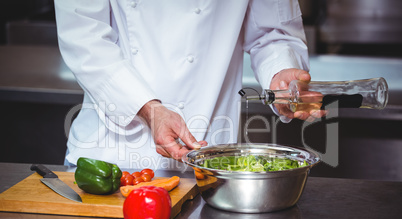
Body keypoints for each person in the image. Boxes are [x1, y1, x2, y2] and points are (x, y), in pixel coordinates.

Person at [54, 0, 320, 170]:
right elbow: (84, 37)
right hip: (111, 156)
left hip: (210, 160)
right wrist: (149, 109)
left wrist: (280, 74)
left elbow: (272, 32)